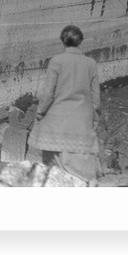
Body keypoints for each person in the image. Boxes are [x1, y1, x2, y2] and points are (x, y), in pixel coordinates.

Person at [27, 25, 101, 184]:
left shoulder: (56, 61)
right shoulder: (90, 64)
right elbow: (96, 99)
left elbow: (48, 94)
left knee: (52, 164)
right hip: (81, 123)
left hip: (56, 123)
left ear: (63, 41)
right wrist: (95, 120)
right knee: (79, 166)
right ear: (80, 41)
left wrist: (40, 113)